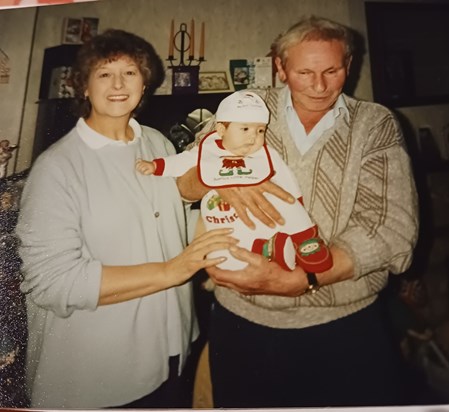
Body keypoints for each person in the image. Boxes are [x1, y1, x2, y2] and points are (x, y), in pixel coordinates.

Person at [176, 16, 419, 408]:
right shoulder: (247, 107)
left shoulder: (375, 124)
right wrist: (220, 177)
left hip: (345, 328)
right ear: (280, 68)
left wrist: (299, 279)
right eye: (304, 71)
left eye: (332, 70)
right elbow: (184, 184)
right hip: (242, 324)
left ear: (350, 66)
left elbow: (392, 229)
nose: (319, 85)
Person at [15, 29, 236, 409]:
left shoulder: (158, 144)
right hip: (97, 374)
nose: (118, 84)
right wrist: (172, 270)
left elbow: (167, 224)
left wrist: (230, 216)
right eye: (103, 73)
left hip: (171, 347)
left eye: (130, 72)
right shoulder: (56, 169)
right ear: (83, 86)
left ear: (144, 82)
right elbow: (52, 282)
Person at [136, 90, 332, 273]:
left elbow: (285, 177)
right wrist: (157, 166)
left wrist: (296, 200)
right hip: (224, 211)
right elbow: (182, 162)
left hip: (268, 205)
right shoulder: (208, 151)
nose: (253, 138)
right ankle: (269, 248)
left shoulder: (265, 154)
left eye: (260, 131)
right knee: (223, 246)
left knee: (286, 201)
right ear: (221, 129)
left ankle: (305, 239)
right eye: (245, 129)